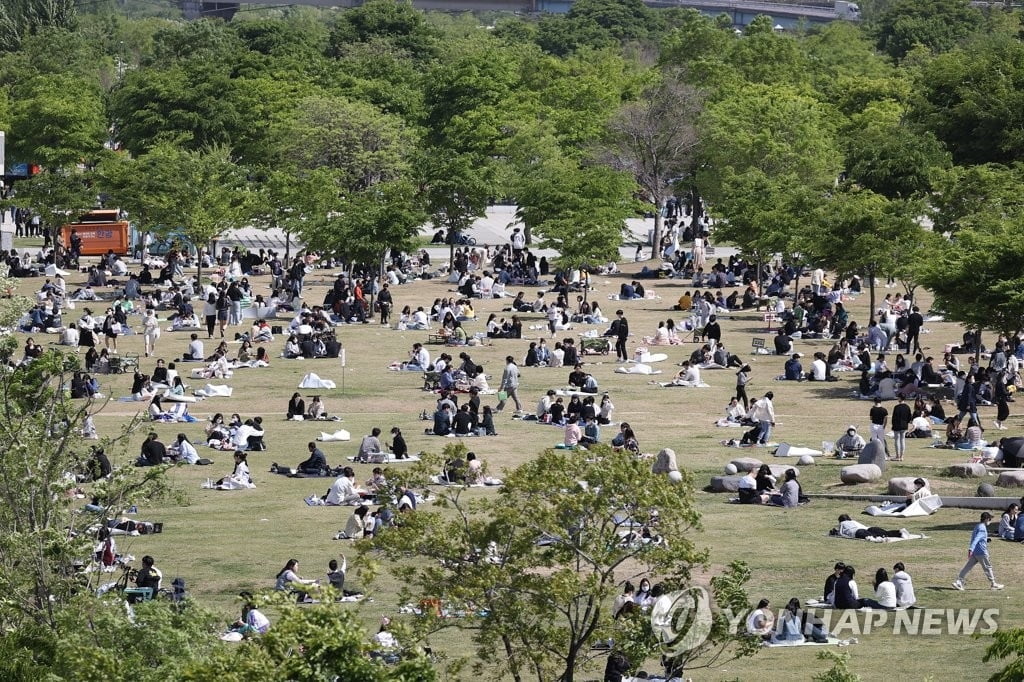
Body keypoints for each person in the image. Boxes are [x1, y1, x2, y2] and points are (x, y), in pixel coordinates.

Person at [953, 513, 1004, 590]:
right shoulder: (982, 528)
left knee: (967, 567)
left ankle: (959, 581)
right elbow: (976, 539)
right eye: (990, 519)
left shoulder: (978, 526)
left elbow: (976, 538)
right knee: (988, 567)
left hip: (975, 553)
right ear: (986, 519)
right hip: (981, 552)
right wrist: (971, 549)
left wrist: (986, 540)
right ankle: (993, 584)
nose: (990, 521)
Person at [832, 514, 908, 540]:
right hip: (869, 528)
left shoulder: (842, 523)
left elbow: (841, 533)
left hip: (859, 531)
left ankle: (885, 538)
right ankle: (900, 532)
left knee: (874, 537)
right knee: (885, 533)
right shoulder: (853, 521)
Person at [891, 395, 912, 461]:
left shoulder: (896, 407)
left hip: (897, 425)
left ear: (900, 398)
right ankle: (902, 456)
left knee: (897, 440)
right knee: (902, 440)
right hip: (904, 425)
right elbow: (909, 417)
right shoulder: (907, 407)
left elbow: (894, 417)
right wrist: (906, 423)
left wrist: (893, 425)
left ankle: (897, 456)